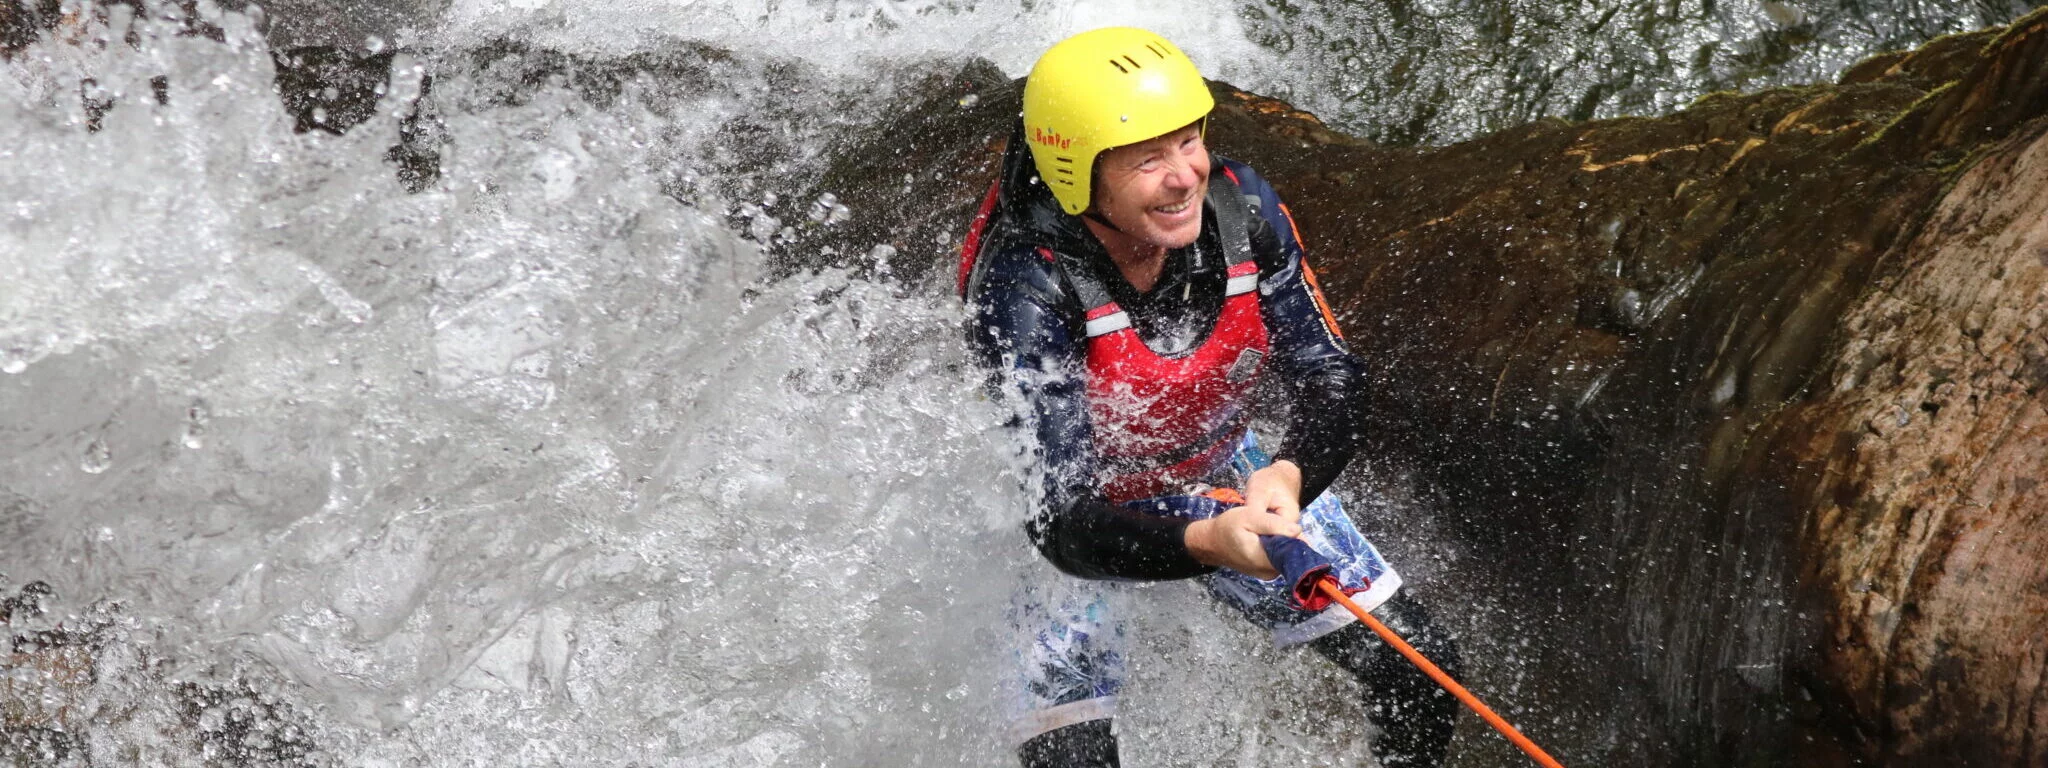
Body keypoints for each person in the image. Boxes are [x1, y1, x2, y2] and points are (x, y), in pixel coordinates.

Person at [959, 27, 1464, 768]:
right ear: (1076, 174)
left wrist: (1286, 476)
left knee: (1424, 678)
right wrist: (1209, 545)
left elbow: (1330, 371)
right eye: (1147, 159)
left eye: (1189, 140)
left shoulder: (1244, 210)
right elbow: (1062, 523)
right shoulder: (1025, 285)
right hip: (1082, 518)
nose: (1185, 175)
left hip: (1223, 473)